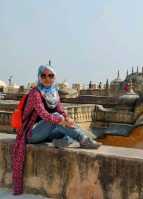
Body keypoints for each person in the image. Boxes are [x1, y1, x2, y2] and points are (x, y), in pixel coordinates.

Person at [12, 65, 101, 195]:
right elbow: (44, 114)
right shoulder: (35, 93)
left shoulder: (53, 92)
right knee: (58, 119)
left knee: (63, 125)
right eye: (44, 76)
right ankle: (83, 139)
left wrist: (68, 118)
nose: (47, 79)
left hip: (45, 132)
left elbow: (61, 110)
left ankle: (66, 139)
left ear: (54, 77)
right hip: (31, 133)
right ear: (39, 77)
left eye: (51, 75)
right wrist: (61, 119)